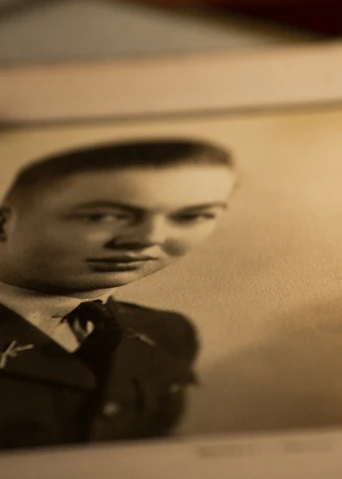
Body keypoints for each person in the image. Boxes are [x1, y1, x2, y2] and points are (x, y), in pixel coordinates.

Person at [0, 138, 237, 449]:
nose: (149, 238)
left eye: (191, 216)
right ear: (3, 222)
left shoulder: (167, 332)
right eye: (103, 216)